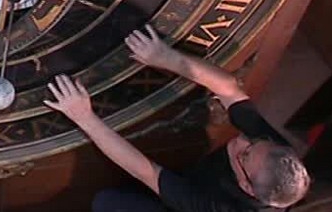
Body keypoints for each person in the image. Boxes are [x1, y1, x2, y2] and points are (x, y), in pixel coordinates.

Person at [45, 24, 310, 212]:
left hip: (190, 202)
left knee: (107, 202)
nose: (242, 140)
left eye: (244, 156)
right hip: (196, 182)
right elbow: (229, 88)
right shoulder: (274, 155)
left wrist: (84, 117)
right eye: (254, 141)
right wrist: (166, 57)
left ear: (247, 187)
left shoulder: (219, 208)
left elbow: (146, 171)